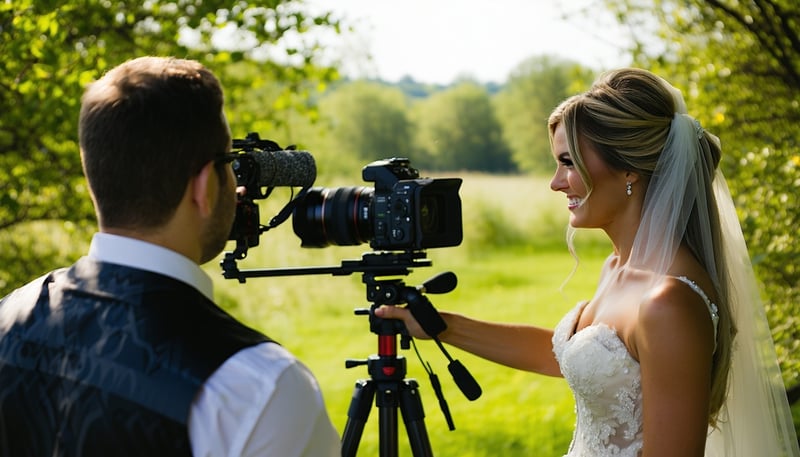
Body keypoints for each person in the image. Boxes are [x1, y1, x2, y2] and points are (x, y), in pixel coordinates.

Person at [376, 68, 799, 456]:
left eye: (567, 163)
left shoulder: (668, 302)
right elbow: (567, 356)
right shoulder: (618, 268)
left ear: (629, 170)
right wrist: (441, 326)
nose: (556, 183)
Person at [0, 56, 340, 456]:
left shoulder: (9, 317)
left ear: (97, 176)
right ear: (202, 188)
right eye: (229, 166)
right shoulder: (261, 391)